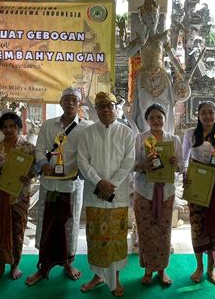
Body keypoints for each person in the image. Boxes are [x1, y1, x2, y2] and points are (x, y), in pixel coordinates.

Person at [25, 87, 91, 286]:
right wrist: (43, 163)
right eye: (66, 100)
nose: (70, 103)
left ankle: (68, 263)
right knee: (47, 222)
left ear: (79, 105)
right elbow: (39, 148)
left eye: (74, 100)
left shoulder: (86, 127)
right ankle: (43, 265)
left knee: (69, 224)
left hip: (72, 184)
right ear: (60, 103)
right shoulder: (48, 125)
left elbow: (89, 152)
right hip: (50, 182)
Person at [78, 92, 135, 297]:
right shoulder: (87, 133)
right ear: (96, 110)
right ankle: (97, 275)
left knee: (117, 237)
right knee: (95, 237)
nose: (105, 110)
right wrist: (99, 182)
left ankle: (116, 277)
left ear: (115, 108)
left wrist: (112, 184)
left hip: (117, 195)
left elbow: (129, 161)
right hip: (95, 194)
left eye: (109, 106)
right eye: (101, 106)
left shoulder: (126, 133)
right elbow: (83, 161)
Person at [119, 0, 186, 134]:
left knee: (165, 105)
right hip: (144, 77)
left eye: (154, 16)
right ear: (143, 19)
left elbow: (172, 57)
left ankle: (166, 134)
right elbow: (126, 53)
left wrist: (182, 73)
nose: (153, 20)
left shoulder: (163, 37)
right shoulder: (140, 39)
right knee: (144, 105)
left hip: (161, 75)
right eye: (149, 17)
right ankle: (144, 136)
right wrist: (123, 36)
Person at [182, 101, 215, 285]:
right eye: (204, 112)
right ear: (198, 115)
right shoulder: (189, 134)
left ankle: (211, 269)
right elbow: (183, 159)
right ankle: (199, 267)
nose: (207, 116)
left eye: (211, 112)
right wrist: (185, 174)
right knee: (196, 227)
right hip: (196, 186)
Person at [133, 103, 183, 286]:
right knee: (145, 231)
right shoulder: (139, 139)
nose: (156, 121)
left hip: (166, 192)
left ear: (165, 119)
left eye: (159, 117)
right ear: (147, 120)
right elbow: (132, 165)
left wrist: (175, 163)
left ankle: (162, 270)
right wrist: (143, 166)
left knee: (163, 231)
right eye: (152, 117)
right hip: (144, 191)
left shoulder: (173, 140)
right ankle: (148, 269)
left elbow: (181, 167)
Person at [0, 112, 36, 282]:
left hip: (18, 195)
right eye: (5, 126)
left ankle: (15, 265)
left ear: (18, 127)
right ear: (1, 128)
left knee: (17, 231)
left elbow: (35, 169)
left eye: (12, 126)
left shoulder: (28, 148)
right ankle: (0, 266)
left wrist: (29, 176)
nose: (8, 130)